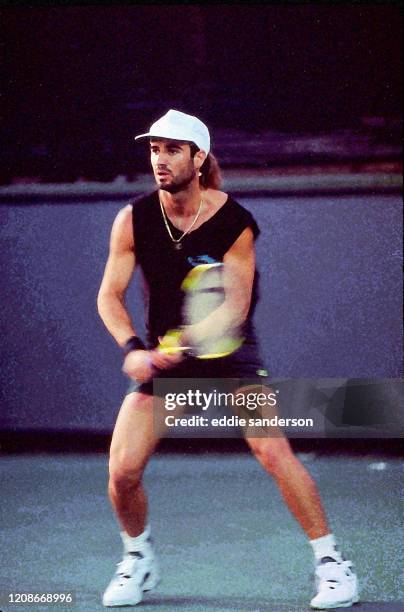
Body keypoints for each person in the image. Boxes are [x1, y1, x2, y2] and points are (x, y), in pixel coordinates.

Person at [97, 109, 359, 609]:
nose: (160, 159)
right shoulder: (132, 219)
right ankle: (138, 558)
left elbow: (235, 309)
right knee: (122, 472)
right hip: (162, 357)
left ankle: (332, 564)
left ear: (198, 158)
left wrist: (180, 344)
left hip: (230, 354)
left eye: (172, 150)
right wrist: (134, 348)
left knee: (271, 451)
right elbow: (109, 295)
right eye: (154, 149)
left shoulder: (234, 221)